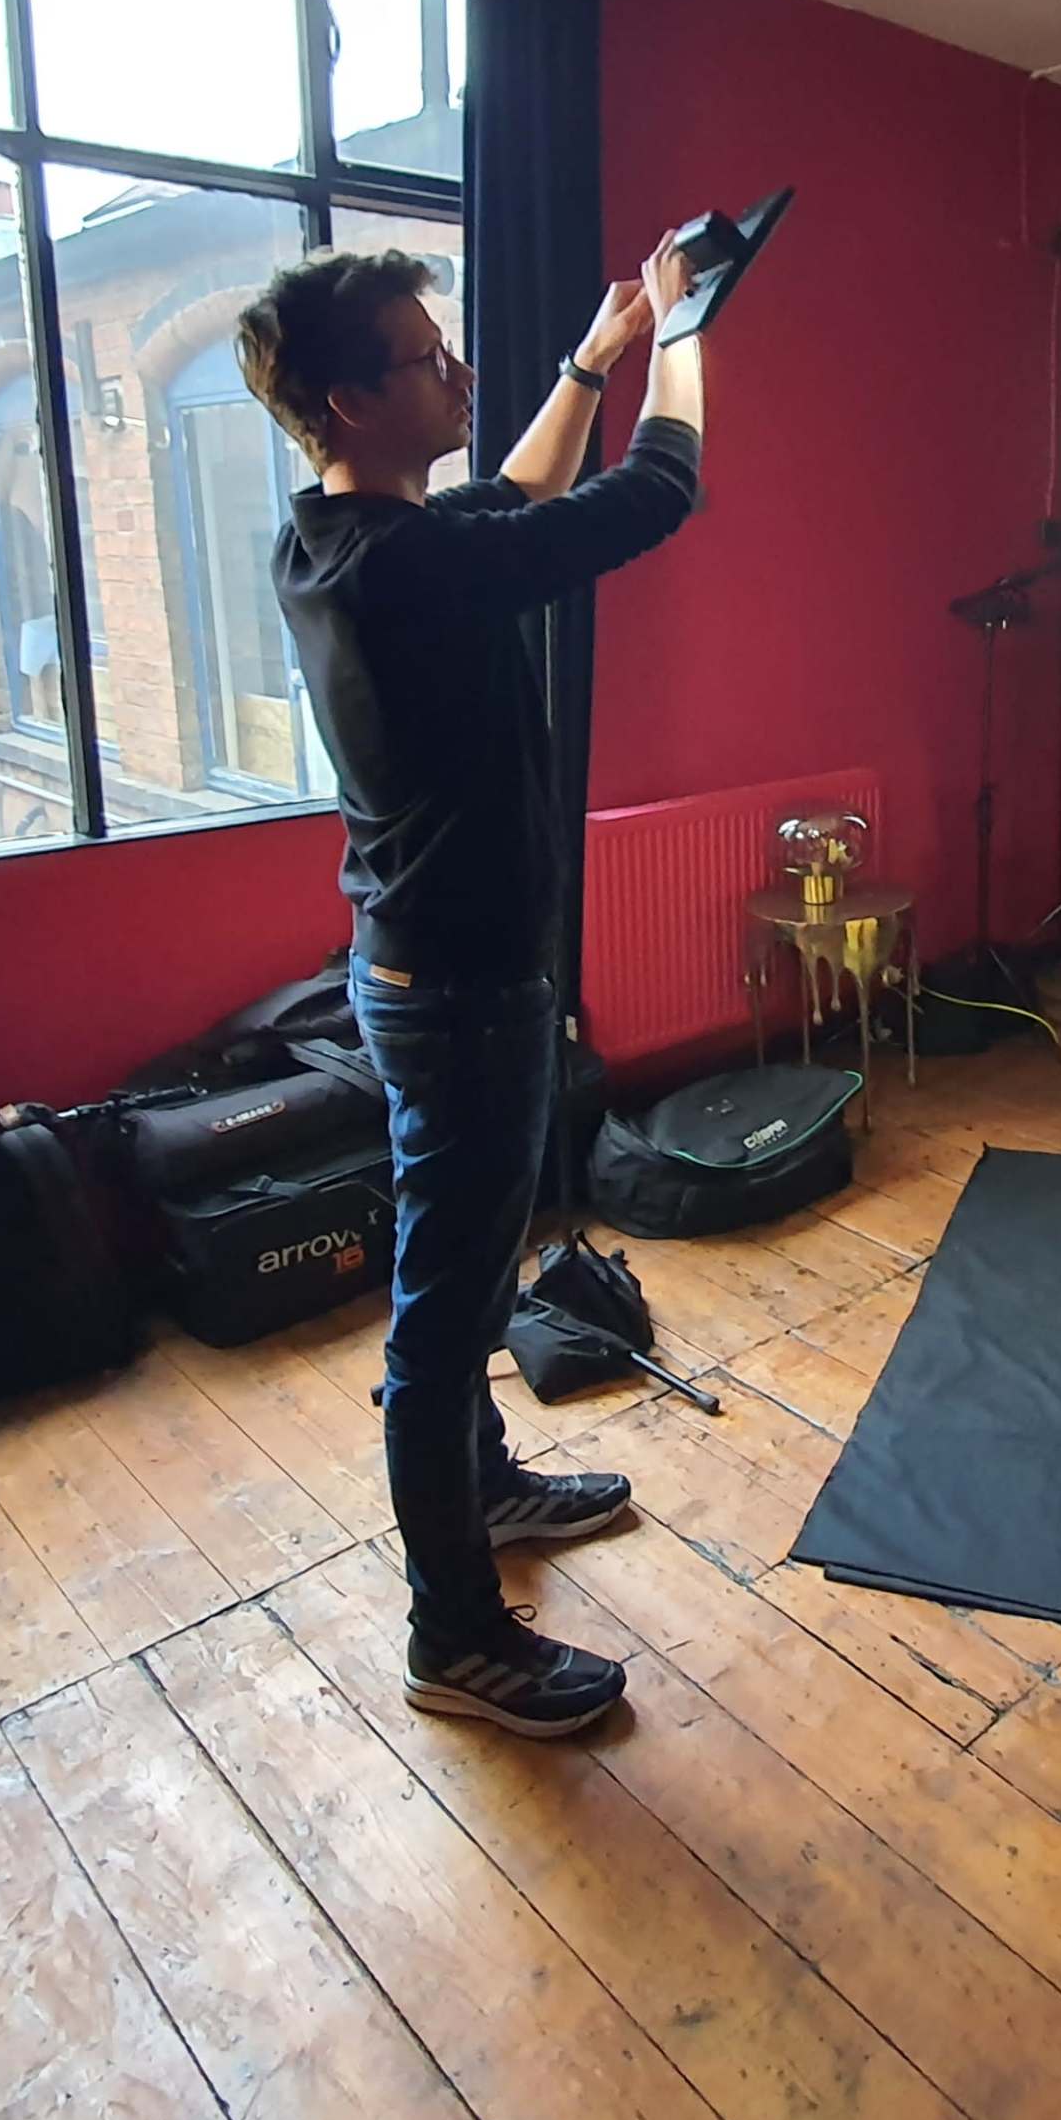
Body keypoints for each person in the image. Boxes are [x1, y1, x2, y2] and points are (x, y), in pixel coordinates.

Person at [253, 237, 705, 1735]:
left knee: (463, 1277)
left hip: (429, 976)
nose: (455, 371)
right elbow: (658, 493)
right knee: (440, 1317)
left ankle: (487, 1492)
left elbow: (497, 503)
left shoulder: (334, 540)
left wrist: (598, 349)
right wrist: (687, 342)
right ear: (346, 399)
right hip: (460, 990)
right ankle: (454, 1639)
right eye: (425, 359)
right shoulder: (409, 568)